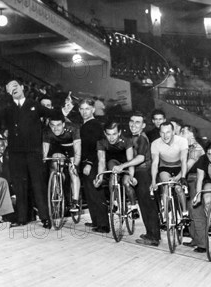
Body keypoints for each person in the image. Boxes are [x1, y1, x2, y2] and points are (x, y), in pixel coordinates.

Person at [0, 79, 72, 228]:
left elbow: (52, 113)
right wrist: (7, 97)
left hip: (33, 152)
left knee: (38, 185)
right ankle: (22, 218)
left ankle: (45, 217)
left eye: (16, 86)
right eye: (10, 87)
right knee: (19, 185)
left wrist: (65, 110)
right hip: (16, 153)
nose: (14, 89)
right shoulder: (7, 107)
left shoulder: (34, 105)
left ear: (23, 88)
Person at [126, 112, 161, 246]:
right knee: (145, 205)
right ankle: (150, 233)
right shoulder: (135, 138)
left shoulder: (142, 138)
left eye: (137, 122)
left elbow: (139, 159)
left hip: (145, 173)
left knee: (148, 206)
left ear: (143, 125)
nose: (133, 124)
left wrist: (123, 166)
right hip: (140, 173)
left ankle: (153, 237)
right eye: (132, 121)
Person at [150, 121, 191, 232]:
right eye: (162, 133)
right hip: (165, 167)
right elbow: (155, 163)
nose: (165, 136)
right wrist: (153, 181)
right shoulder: (155, 143)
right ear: (159, 133)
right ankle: (165, 216)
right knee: (166, 185)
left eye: (168, 132)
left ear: (173, 132)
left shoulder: (182, 141)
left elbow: (183, 160)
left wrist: (181, 177)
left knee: (178, 188)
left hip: (179, 166)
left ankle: (184, 213)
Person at [93, 122, 139, 219]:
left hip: (126, 164)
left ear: (119, 133)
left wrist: (131, 176)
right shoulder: (101, 142)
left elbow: (130, 161)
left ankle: (134, 207)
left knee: (126, 183)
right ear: (105, 134)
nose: (111, 138)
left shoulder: (126, 140)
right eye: (109, 134)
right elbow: (101, 161)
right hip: (113, 163)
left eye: (114, 134)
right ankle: (115, 202)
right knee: (113, 175)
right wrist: (100, 178)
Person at [42, 110, 81, 212]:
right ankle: (57, 187)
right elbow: (45, 149)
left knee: (73, 172)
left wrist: (75, 164)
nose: (55, 128)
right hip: (58, 148)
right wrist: (43, 160)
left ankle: (75, 201)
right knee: (54, 164)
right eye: (52, 125)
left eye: (59, 125)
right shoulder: (47, 131)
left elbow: (77, 148)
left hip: (72, 148)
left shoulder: (73, 128)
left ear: (64, 124)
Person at [79, 98, 108, 232]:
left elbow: (95, 146)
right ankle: (96, 221)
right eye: (82, 109)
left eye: (87, 109)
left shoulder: (94, 124)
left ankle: (103, 225)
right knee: (90, 193)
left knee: (96, 193)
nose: (85, 112)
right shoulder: (85, 125)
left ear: (93, 110)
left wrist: (89, 163)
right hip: (86, 162)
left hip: (93, 162)